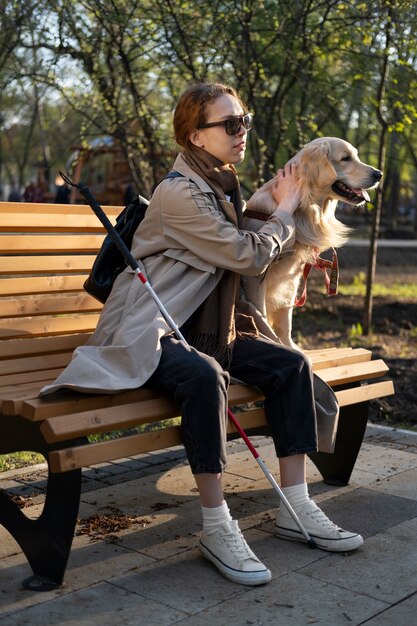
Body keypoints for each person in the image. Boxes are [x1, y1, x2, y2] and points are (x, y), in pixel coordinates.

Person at [40, 82, 363, 586]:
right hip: (154, 326)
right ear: (195, 135)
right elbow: (247, 254)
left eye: (245, 123)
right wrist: (282, 209)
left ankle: (295, 505)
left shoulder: (223, 184)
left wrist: (279, 207)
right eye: (230, 125)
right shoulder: (179, 192)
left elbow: (252, 244)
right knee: (203, 375)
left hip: (207, 326)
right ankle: (216, 525)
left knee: (291, 364)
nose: (242, 133)